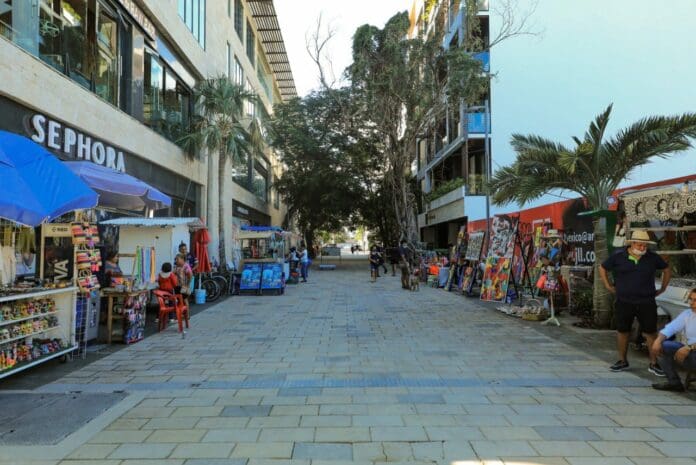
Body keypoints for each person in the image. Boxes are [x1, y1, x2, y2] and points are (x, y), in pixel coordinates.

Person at [600, 229, 671, 376]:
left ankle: (654, 363)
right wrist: (607, 285)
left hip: (646, 300)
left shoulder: (652, 257)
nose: (643, 248)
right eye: (640, 245)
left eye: (645, 245)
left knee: (650, 332)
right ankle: (622, 360)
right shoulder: (618, 256)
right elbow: (603, 267)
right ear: (632, 243)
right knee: (623, 330)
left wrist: (663, 287)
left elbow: (666, 269)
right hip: (624, 300)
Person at [651, 287, 696, 391]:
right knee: (661, 345)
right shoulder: (688, 314)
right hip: (690, 353)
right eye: (691, 299)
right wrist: (657, 341)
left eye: (695, 300)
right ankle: (674, 382)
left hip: (691, 351)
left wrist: (689, 347)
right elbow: (670, 328)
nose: (691, 303)